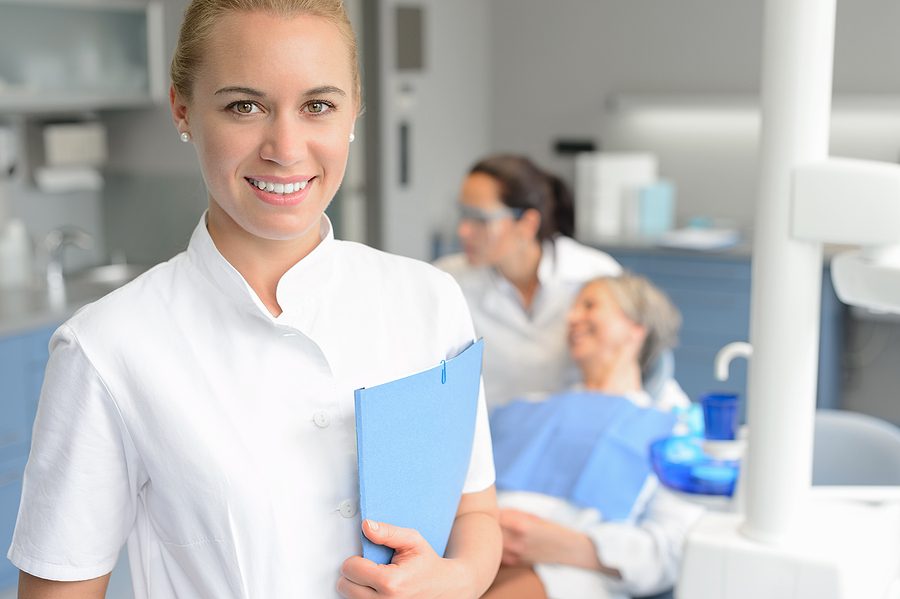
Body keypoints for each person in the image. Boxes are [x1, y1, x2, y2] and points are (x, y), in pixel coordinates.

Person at [7, 2, 501, 598]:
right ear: (183, 110)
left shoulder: (429, 300)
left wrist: (460, 581)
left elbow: (475, 512)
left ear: (353, 112)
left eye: (318, 105)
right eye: (245, 106)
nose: (286, 148)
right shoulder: (107, 348)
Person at [482, 274, 704, 599]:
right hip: (477, 553)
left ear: (635, 328)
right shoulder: (522, 410)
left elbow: (671, 553)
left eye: (590, 306)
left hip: (572, 571)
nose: (572, 318)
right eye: (573, 309)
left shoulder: (674, 431)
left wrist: (574, 547)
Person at [434, 154, 621, 410]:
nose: (463, 230)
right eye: (463, 215)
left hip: (575, 432)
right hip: (492, 441)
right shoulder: (446, 282)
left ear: (527, 223)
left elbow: (641, 360)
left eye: (479, 218)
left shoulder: (595, 274)